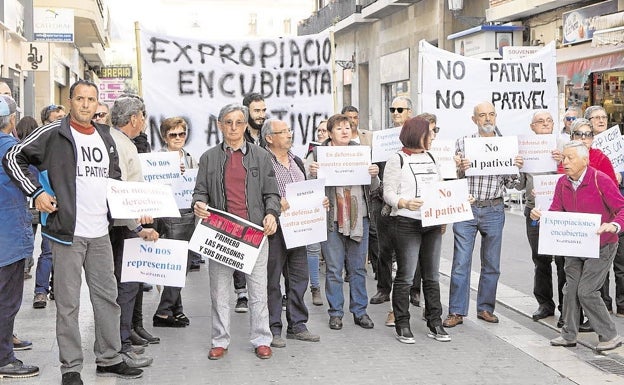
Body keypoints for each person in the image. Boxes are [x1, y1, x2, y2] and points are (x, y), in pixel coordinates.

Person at [3, 80, 144, 384]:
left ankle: (109, 358)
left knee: (108, 298)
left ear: (97, 105)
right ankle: (71, 368)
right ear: (70, 101)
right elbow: (13, 157)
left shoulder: (106, 136)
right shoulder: (54, 133)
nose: (85, 104)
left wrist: (132, 209)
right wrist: (35, 192)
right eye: (79, 98)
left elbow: (114, 179)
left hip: (100, 233)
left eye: (91, 99)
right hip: (66, 233)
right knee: (68, 305)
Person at [192, 103, 280, 360]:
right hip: (221, 232)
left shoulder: (261, 156)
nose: (233, 127)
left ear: (245, 125)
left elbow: (271, 193)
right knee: (219, 290)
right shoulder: (208, 157)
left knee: (258, 289)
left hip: (253, 233)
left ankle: (262, 339)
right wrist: (198, 203)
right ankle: (220, 340)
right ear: (219, 125)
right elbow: (200, 191)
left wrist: (271, 213)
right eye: (228, 122)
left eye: (238, 122)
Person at [531, 141, 624, 352]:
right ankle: (569, 334)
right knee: (570, 289)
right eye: (564, 157)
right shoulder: (563, 182)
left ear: (585, 160)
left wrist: (613, 225)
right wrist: (542, 216)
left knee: (587, 291)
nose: (565, 162)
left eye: (570, 158)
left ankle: (610, 335)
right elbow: (556, 210)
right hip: (574, 245)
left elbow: (622, 208)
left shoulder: (601, 180)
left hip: (602, 245)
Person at [443, 101, 524, 328]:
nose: (487, 119)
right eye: (482, 115)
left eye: (491, 115)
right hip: (467, 208)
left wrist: (516, 166)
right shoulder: (463, 143)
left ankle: (486, 308)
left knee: (491, 263)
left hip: (494, 208)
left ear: (496, 117)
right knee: (461, 261)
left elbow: (513, 183)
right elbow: (452, 178)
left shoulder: (506, 144)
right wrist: (459, 167)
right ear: (474, 119)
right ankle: (457, 311)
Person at [306, 113, 379, 330]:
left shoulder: (361, 152)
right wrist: (312, 174)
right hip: (332, 219)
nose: (345, 131)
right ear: (329, 134)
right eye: (339, 128)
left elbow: (375, 189)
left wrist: (374, 174)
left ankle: (360, 311)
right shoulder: (318, 154)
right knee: (334, 268)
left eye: (347, 127)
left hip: (359, 219)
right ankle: (336, 312)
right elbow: (307, 189)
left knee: (358, 268)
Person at [382, 116, 450, 343]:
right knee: (406, 275)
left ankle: (435, 322)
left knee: (432, 275)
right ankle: (402, 323)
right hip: (406, 223)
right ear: (416, 134)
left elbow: (440, 188)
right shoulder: (397, 159)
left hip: (431, 222)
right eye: (429, 132)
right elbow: (388, 192)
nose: (432, 136)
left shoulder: (431, 157)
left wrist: (451, 207)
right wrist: (403, 202)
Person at [261, 119, 321, 348]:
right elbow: (257, 193)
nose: (289, 135)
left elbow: (305, 192)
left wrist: (318, 201)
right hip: (275, 229)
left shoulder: (297, 160)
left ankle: (298, 325)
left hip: (299, 229)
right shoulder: (262, 161)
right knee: (272, 281)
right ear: (269, 138)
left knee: (298, 279)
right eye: (283, 132)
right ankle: (273, 328)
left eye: (289, 131)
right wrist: (276, 203)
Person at [108, 95, 159, 368]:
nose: (143, 121)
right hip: (123, 227)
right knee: (125, 287)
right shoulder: (119, 144)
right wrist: (138, 227)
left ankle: (124, 341)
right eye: (141, 116)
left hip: (123, 225)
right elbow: (121, 193)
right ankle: (121, 345)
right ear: (133, 119)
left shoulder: (120, 141)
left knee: (128, 285)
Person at [0, 94, 39, 379]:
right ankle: (4, 359)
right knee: (7, 300)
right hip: (8, 238)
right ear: (12, 120)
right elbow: (35, 183)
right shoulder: (14, 151)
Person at [516, 111, 565, 324]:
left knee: (563, 261)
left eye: (549, 121)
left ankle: (567, 306)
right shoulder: (524, 149)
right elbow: (517, 185)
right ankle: (545, 304)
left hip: (561, 213)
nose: (545, 124)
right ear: (532, 127)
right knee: (540, 259)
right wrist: (516, 167)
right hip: (534, 210)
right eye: (540, 122)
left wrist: (561, 162)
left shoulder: (563, 147)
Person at [370, 96, 413, 329]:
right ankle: (383, 288)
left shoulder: (414, 137)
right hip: (383, 199)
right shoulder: (384, 138)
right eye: (392, 109)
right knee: (384, 249)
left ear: (409, 111)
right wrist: (374, 169)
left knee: (407, 252)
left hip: (406, 201)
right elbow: (374, 167)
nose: (395, 112)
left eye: (400, 109)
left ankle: (410, 294)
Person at [153, 117, 198, 328]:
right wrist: (171, 174)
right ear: (165, 137)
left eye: (181, 134)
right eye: (173, 134)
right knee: (179, 264)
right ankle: (164, 310)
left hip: (188, 213)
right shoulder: (158, 159)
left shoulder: (190, 158)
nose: (178, 138)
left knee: (180, 263)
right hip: (169, 213)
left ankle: (175, 310)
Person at [14, 116, 54, 309]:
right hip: (45, 205)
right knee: (48, 250)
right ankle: (44, 290)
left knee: (28, 243)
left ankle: (28, 273)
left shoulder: (18, 152)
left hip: (27, 204)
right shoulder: (43, 150)